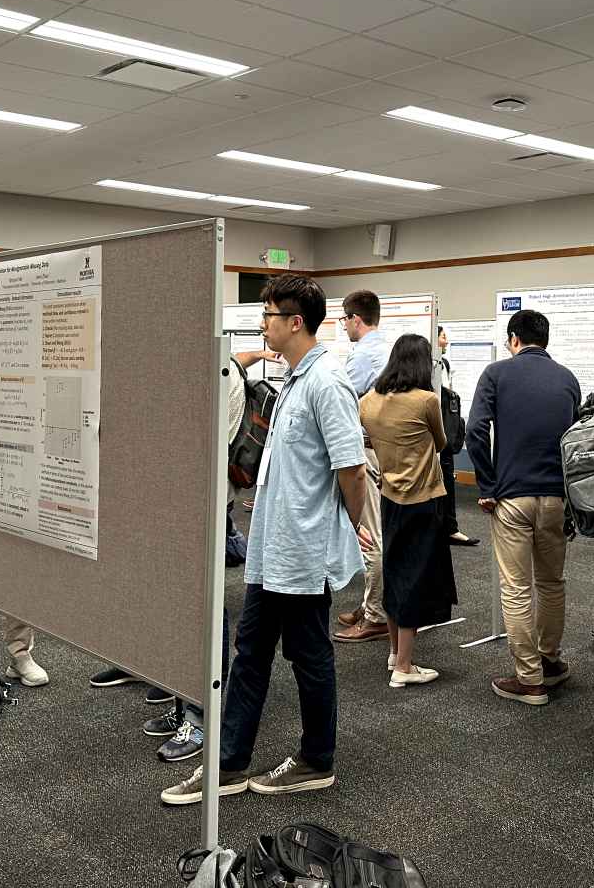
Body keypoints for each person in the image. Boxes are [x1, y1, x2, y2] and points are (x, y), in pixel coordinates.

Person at [163, 274, 369, 803]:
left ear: (294, 322)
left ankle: (315, 760)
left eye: (269, 315)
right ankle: (229, 764)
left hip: (301, 552)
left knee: (308, 656)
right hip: (270, 549)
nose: (262, 324)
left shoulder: (327, 382)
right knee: (252, 651)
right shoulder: (295, 379)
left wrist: (348, 523)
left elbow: (351, 469)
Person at [142, 345, 281, 765]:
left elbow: (196, 443)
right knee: (184, 606)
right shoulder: (204, 358)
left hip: (201, 502)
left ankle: (202, 717)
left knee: (203, 607)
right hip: (184, 501)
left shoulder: (215, 371)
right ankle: (189, 704)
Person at [465, 308, 580, 706]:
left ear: (513, 339)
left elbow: (475, 429)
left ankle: (529, 680)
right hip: (556, 498)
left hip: (511, 497)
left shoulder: (496, 373)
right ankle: (550, 662)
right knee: (552, 583)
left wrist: (487, 483)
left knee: (516, 588)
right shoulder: (567, 378)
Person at [359, 333, 456, 687]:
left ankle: (393, 653)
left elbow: (365, 439)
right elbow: (442, 444)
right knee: (414, 580)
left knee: (394, 569)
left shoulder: (368, 400)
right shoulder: (427, 400)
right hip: (424, 500)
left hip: (389, 497)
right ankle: (404, 667)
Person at [334, 289, 391, 645]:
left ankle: (375, 616)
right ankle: (374, 603)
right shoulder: (389, 349)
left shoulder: (362, 358)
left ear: (356, 318)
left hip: (367, 452)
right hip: (386, 451)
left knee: (370, 535)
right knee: (382, 529)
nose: (344, 326)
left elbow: (341, 407)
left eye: (344, 319)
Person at [433, 326, 476, 547]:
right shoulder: (426, 364)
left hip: (445, 429)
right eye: (443, 336)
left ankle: (451, 528)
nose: (446, 340)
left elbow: (449, 392)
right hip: (430, 429)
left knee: (448, 477)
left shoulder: (444, 364)